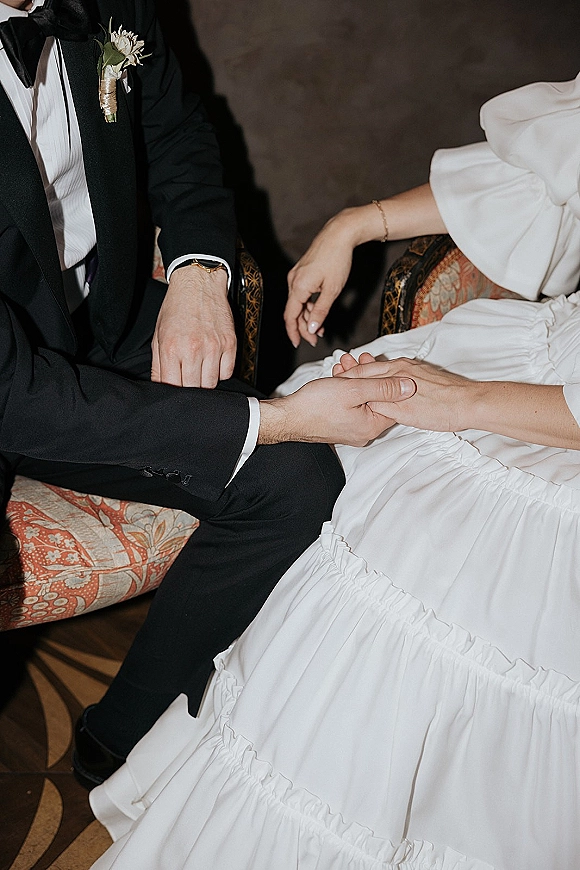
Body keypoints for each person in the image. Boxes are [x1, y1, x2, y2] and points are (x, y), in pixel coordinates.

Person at [88, 71, 580, 869]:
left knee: (425, 555)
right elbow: (547, 171)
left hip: (549, 421)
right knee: (339, 466)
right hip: (543, 355)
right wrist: (360, 223)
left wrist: (469, 402)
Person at [0, 0, 414, 790]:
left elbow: (181, 137)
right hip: (8, 386)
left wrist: (197, 268)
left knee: (300, 481)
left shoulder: (113, 4)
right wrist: (278, 415)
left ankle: (118, 739)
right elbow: (13, 394)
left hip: (108, 318)